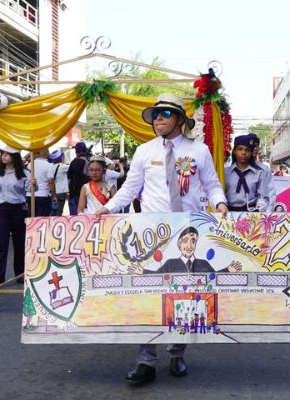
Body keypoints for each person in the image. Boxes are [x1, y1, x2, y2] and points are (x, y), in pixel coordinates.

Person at [93, 93, 228, 384]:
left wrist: (220, 204)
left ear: (180, 119)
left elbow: (213, 185)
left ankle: (177, 353)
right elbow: (130, 189)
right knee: (148, 295)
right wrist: (107, 208)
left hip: (187, 230)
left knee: (184, 295)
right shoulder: (144, 151)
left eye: (165, 114)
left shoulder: (199, 150)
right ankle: (145, 361)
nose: (158, 119)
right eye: (155, 114)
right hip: (151, 233)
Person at [0, 145, 29, 289]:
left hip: (19, 209)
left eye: (7, 154)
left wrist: (33, 184)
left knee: (19, 243)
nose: (4, 156)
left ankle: (20, 273)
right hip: (1, 210)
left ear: (14, 157)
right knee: (1, 244)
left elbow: (32, 190)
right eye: (2, 154)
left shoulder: (25, 173)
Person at [224, 134, 269, 212]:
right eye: (240, 149)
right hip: (228, 213)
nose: (244, 153)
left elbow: (262, 197)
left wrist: (259, 212)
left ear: (251, 153)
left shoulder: (259, 173)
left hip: (252, 213)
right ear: (234, 151)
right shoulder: (225, 172)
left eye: (248, 150)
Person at [67, 141, 92, 215]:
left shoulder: (75, 162)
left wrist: (69, 191)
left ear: (76, 151)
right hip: (89, 192)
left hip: (75, 193)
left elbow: (69, 179)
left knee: (75, 217)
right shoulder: (90, 160)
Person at [31, 149, 54, 217]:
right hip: (43, 195)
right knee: (42, 220)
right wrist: (54, 195)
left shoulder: (30, 164)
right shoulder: (48, 165)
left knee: (32, 220)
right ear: (46, 154)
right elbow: (50, 182)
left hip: (30, 195)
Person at [47, 150, 69, 216]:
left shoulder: (50, 167)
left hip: (52, 192)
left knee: (53, 210)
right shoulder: (62, 167)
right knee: (59, 211)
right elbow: (72, 167)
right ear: (60, 158)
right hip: (61, 192)